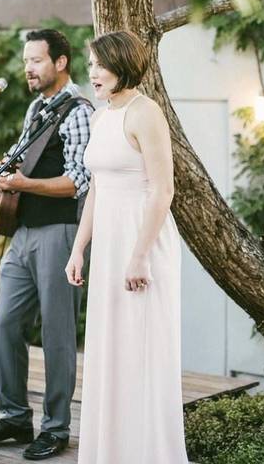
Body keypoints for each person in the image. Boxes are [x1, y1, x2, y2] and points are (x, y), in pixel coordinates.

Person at [65, 30, 188, 464]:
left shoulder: (146, 113)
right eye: (91, 64)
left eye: (100, 64)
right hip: (110, 245)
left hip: (143, 243)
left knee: (142, 350)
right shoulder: (100, 118)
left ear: (123, 65)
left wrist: (139, 255)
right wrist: (79, 248)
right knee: (111, 350)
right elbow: (97, 190)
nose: (92, 73)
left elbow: (163, 190)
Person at [0, 29, 93, 461]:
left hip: (59, 231)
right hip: (22, 232)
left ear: (60, 62)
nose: (28, 68)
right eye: (26, 60)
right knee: (5, 323)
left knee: (58, 333)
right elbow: (17, 155)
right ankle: (15, 417)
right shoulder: (36, 108)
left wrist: (24, 184)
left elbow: (79, 180)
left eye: (37, 60)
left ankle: (56, 428)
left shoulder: (78, 110)